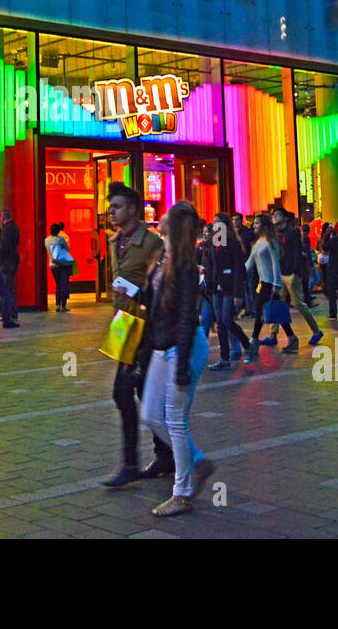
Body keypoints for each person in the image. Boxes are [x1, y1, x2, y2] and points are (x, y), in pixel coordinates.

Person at [139, 202, 215, 517]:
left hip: (183, 346)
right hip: (163, 345)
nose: (162, 218)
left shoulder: (184, 266)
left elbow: (186, 317)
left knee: (174, 420)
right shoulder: (163, 258)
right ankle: (197, 462)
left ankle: (182, 493)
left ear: (176, 226)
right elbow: (153, 304)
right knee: (150, 413)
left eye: (168, 217)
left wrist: (182, 364)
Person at [101, 181, 173, 488]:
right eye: (110, 207)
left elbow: (164, 286)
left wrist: (136, 291)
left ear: (132, 208)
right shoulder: (114, 240)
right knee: (137, 393)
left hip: (147, 325)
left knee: (133, 392)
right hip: (124, 323)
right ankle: (164, 455)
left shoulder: (151, 242)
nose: (111, 212)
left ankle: (141, 461)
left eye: (117, 207)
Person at [205, 213, 251, 369]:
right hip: (216, 287)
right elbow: (211, 265)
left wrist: (238, 293)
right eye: (214, 222)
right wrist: (209, 284)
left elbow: (239, 268)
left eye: (219, 223)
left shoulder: (233, 243)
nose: (216, 225)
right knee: (220, 323)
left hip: (230, 286)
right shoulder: (213, 243)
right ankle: (224, 358)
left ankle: (245, 342)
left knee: (227, 320)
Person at [272, 209, 323, 348]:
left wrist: (295, 272)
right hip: (282, 273)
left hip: (291, 274)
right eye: (274, 215)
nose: (274, 217)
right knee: (278, 302)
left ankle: (316, 331)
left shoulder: (292, 232)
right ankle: (273, 333)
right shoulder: (277, 233)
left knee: (298, 303)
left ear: (285, 218)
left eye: (278, 215)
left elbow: (296, 254)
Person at [246, 213, 291, 355]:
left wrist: (276, 284)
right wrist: (237, 272)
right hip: (263, 283)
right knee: (276, 313)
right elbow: (249, 263)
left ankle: (254, 341)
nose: (254, 225)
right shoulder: (256, 244)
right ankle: (292, 337)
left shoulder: (271, 242)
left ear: (265, 226)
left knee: (260, 309)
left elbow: (275, 264)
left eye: (257, 223)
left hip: (270, 283)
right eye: (254, 223)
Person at [0, 209, 21, 325]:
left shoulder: (7, 229)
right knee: (9, 287)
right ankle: (9, 311)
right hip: (13, 260)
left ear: (2, 218)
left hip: (7, 262)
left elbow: (3, 247)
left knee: (7, 287)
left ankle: (10, 312)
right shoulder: (14, 227)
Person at [45, 222, 74, 312]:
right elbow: (67, 249)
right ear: (58, 231)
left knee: (58, 285)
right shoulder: (60, 239)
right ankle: (63, 306)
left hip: (53, 265)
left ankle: (57, 305)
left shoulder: (46, 240)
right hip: (63, 265)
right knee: (64, 285)